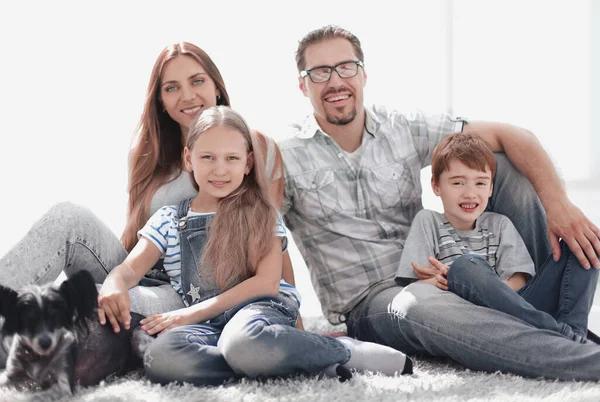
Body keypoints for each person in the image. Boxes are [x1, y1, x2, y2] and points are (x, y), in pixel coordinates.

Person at [278, 24, 600, 381]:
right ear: (302, 84)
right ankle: (582, 358)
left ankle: (532, 297)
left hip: (453, 271)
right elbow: (267, 240)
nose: (336, 81)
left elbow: (515, 135)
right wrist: (294, 326)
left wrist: (560, 206)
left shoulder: (401, 128)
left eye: (346, 67)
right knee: (420, 303)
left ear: (363, 73)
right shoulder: (285, 156)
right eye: (320, 72)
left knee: (500, 161)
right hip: (376, 300)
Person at [102, 105, 412, 385]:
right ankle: (282, 362)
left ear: (248, 163)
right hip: (210, 327)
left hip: (261, 312)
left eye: (231, 158)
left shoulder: (261, 213)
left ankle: (339, 350)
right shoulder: (170, 220)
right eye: (207, 157)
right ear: (188, 159)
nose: (220, 169)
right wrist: (114, 283)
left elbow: (265, 283)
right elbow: (131, 268)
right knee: (161, 356)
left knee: (242, 342)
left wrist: (187, 315)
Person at [0, 42, 298, 331]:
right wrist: (117, 279)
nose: (187, 96)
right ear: (161, 101)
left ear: (217, 87)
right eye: (171, 88)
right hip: (141, 270)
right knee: (68, 217)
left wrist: (292, 319)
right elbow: (137, 230)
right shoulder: (146, 153)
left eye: (197, 81)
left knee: (85, 301)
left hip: (193, 292)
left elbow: (269, 240)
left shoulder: (257, 147)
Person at [396, 132, 596, 344]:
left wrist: (488, 292)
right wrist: (456, 281)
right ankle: (559, 334)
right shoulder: (428, 221)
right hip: (467, 320)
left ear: (491, 187)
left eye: (480, 184)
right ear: (436, 186)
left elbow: (519, 281)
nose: (470, 194)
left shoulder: (499, 224)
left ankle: (574, 337)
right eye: (457, 183)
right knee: (465, 267)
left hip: (520, 309)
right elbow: (414, 285)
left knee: (586, 242)